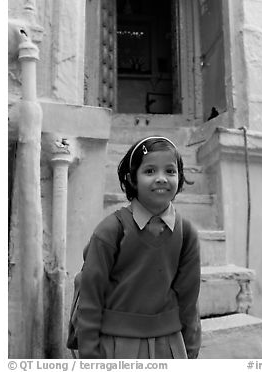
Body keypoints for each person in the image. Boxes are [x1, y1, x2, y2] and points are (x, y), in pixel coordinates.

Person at [77, 136, 201, 359]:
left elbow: (188, 298)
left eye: (170, 171)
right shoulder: (111, 230)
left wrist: (191, 348)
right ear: (132, 179)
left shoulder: (187, 233)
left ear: (180, 178)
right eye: (150, 171)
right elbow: (90, 296)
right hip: (116, 345)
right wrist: (89, 353)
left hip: (169, 344)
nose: (161, 179)